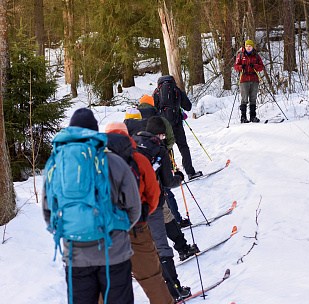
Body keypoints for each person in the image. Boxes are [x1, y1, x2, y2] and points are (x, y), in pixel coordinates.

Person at [42, 108, 141, 304]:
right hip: (114, 252)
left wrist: (70, 230)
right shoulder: (114, 162)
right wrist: (117, 228)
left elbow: (48, 211)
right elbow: (134, 208)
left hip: (75, 255)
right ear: (96, 133)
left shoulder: (55, 166)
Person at [105, 122, 174, 304]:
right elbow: (154, 194)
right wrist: (142, 215)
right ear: (127, 135)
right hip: (137, 228)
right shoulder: (138, 159)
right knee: (152, 279)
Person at [142, 116, 196, 302]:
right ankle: (174, 289)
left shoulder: (133, 143)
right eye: (163, 134)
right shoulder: (158, 149)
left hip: (132, 206)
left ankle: (182, 248)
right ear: (159, 133)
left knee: (153, 240)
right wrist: (179, 177)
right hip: (152, 202)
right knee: (161, 246)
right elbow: (168, 181)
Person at [137, 95, 191, 228]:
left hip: (137, 166)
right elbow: (171, 139)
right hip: (160, 159)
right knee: (165, 190)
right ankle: (176, 220)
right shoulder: (159, 117)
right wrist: (164, 150)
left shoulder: (132, 118)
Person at [153, 76, 202, 180]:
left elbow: (154, 109)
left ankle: (171, 173)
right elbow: (188, 106)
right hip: (177, 123)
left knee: (167, 148)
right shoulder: (176, 90)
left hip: (163, 126)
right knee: (183, 146)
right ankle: (190, 172)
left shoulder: (156, 92)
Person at [234, 39, 264, 123]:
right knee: (244, 98)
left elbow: (261, 67)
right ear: (245, 46)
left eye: (250, 46)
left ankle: (253, 116)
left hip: (254, 79)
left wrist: (254, 66)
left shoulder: (256, 56)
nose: (248, 48)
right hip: (244, 79)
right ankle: (243, 117)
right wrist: (241, 67)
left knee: (253, 98)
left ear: (252, 47)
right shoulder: (240, 55)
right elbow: (236, 66)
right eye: (247, 46)